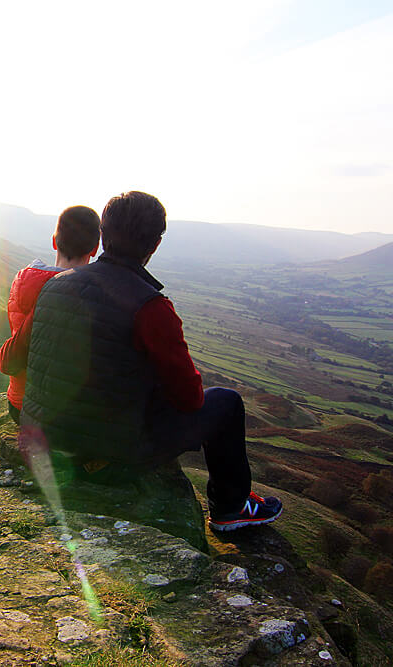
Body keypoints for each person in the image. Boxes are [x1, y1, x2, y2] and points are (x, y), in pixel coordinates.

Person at [20, 191, 282, 531]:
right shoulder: (150, 307)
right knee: (227, 403)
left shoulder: (54, 286)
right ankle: (231, 508)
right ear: (155, 245)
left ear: (103, 236)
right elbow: (190, 399)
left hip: (41, 448)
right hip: (103, 462)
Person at [0, 205, 100, 424]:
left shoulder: (23, 280)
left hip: (19, 406)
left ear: (54, 241)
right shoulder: (94, 293)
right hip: (66, 417)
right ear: (95, 248)